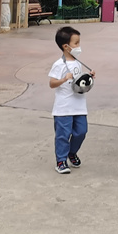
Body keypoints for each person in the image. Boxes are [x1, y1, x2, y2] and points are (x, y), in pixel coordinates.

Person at [48, 26, 92, 174]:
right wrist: (63, 79)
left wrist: (89, 77)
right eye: (76, 43)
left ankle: (71, 152)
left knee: (81, 132)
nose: (79, 46)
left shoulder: (78, 62)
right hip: (64, 107)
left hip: (79, 105)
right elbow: (52, 84)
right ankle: (61, 161)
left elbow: (79, 81)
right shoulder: (59, 64)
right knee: (63, 135)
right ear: (66, 46)